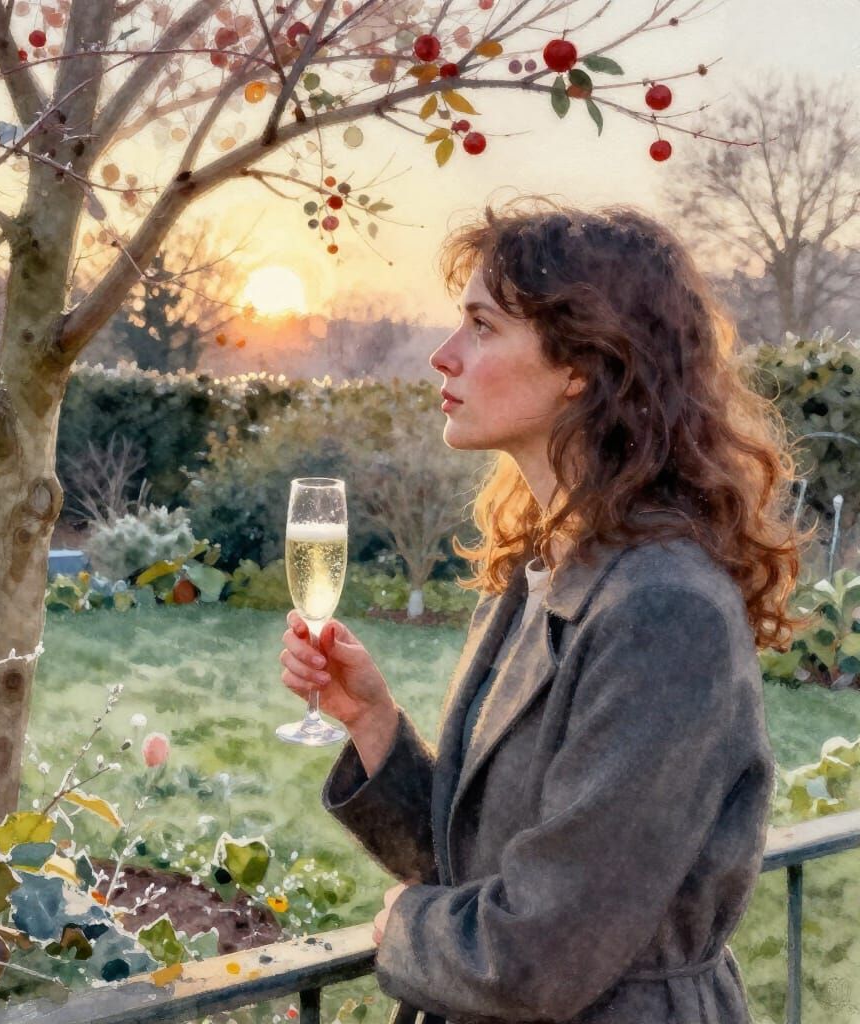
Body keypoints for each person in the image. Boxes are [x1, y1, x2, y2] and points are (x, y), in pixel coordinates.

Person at [278, 196, 817, 1024]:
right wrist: (374, 723)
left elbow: (541, 954)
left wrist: (404, 929)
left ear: (583, 365)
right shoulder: (544, 568)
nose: (442, 356)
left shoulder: (665, 613)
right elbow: (484, 867)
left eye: (482, 327)